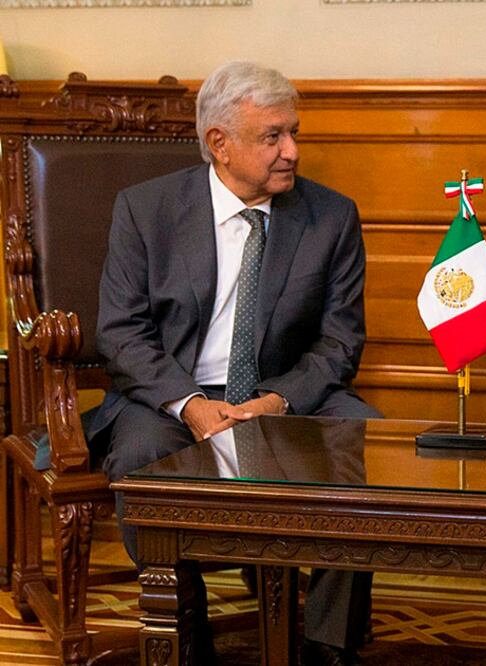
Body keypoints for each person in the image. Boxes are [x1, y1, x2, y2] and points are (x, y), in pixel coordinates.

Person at [89, 61, 380, 666]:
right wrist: (191, 405)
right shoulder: (146, 210)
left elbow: (339, 342)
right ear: (219, 143)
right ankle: (184, 626)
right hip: (173, 396)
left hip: (287, 394)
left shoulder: (330, 217)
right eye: (272, 136)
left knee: (361, 450)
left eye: (293, 132)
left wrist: (277, 402)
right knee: (140, 459)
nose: (292, 151)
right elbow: (122, 334)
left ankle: (329, 643)